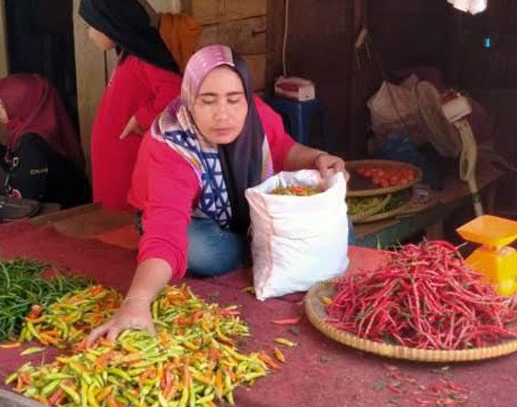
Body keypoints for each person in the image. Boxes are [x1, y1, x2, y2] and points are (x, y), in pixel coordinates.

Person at [87, 45, 348, 345]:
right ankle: (255, 244)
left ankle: (253, 242)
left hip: (240, 214)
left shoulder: (258, 116)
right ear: (188, 99)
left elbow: (282, 148)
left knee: (336, 226)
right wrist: (136, 302)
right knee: (203, 252)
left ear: (247, 98)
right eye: (207, 101)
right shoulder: (172, 145)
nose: (223, 114)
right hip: (188, 219)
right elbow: (165, 232)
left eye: (234, 100)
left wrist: (317, 158)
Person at [78, 0, 182, 211]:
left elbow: (175, 93)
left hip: (128, 165)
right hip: (116, 164)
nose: (90, 34)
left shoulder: (143, 59)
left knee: (121, 225)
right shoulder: (129, 56)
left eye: (92, 26)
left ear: (111, 24)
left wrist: (141, 118)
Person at [0, 73, 91, 208]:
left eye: (2, 106)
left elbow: (24, 208)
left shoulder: (34, 145)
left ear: (22, 106)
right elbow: (18, 166)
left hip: (65, 222)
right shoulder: (39, 134)